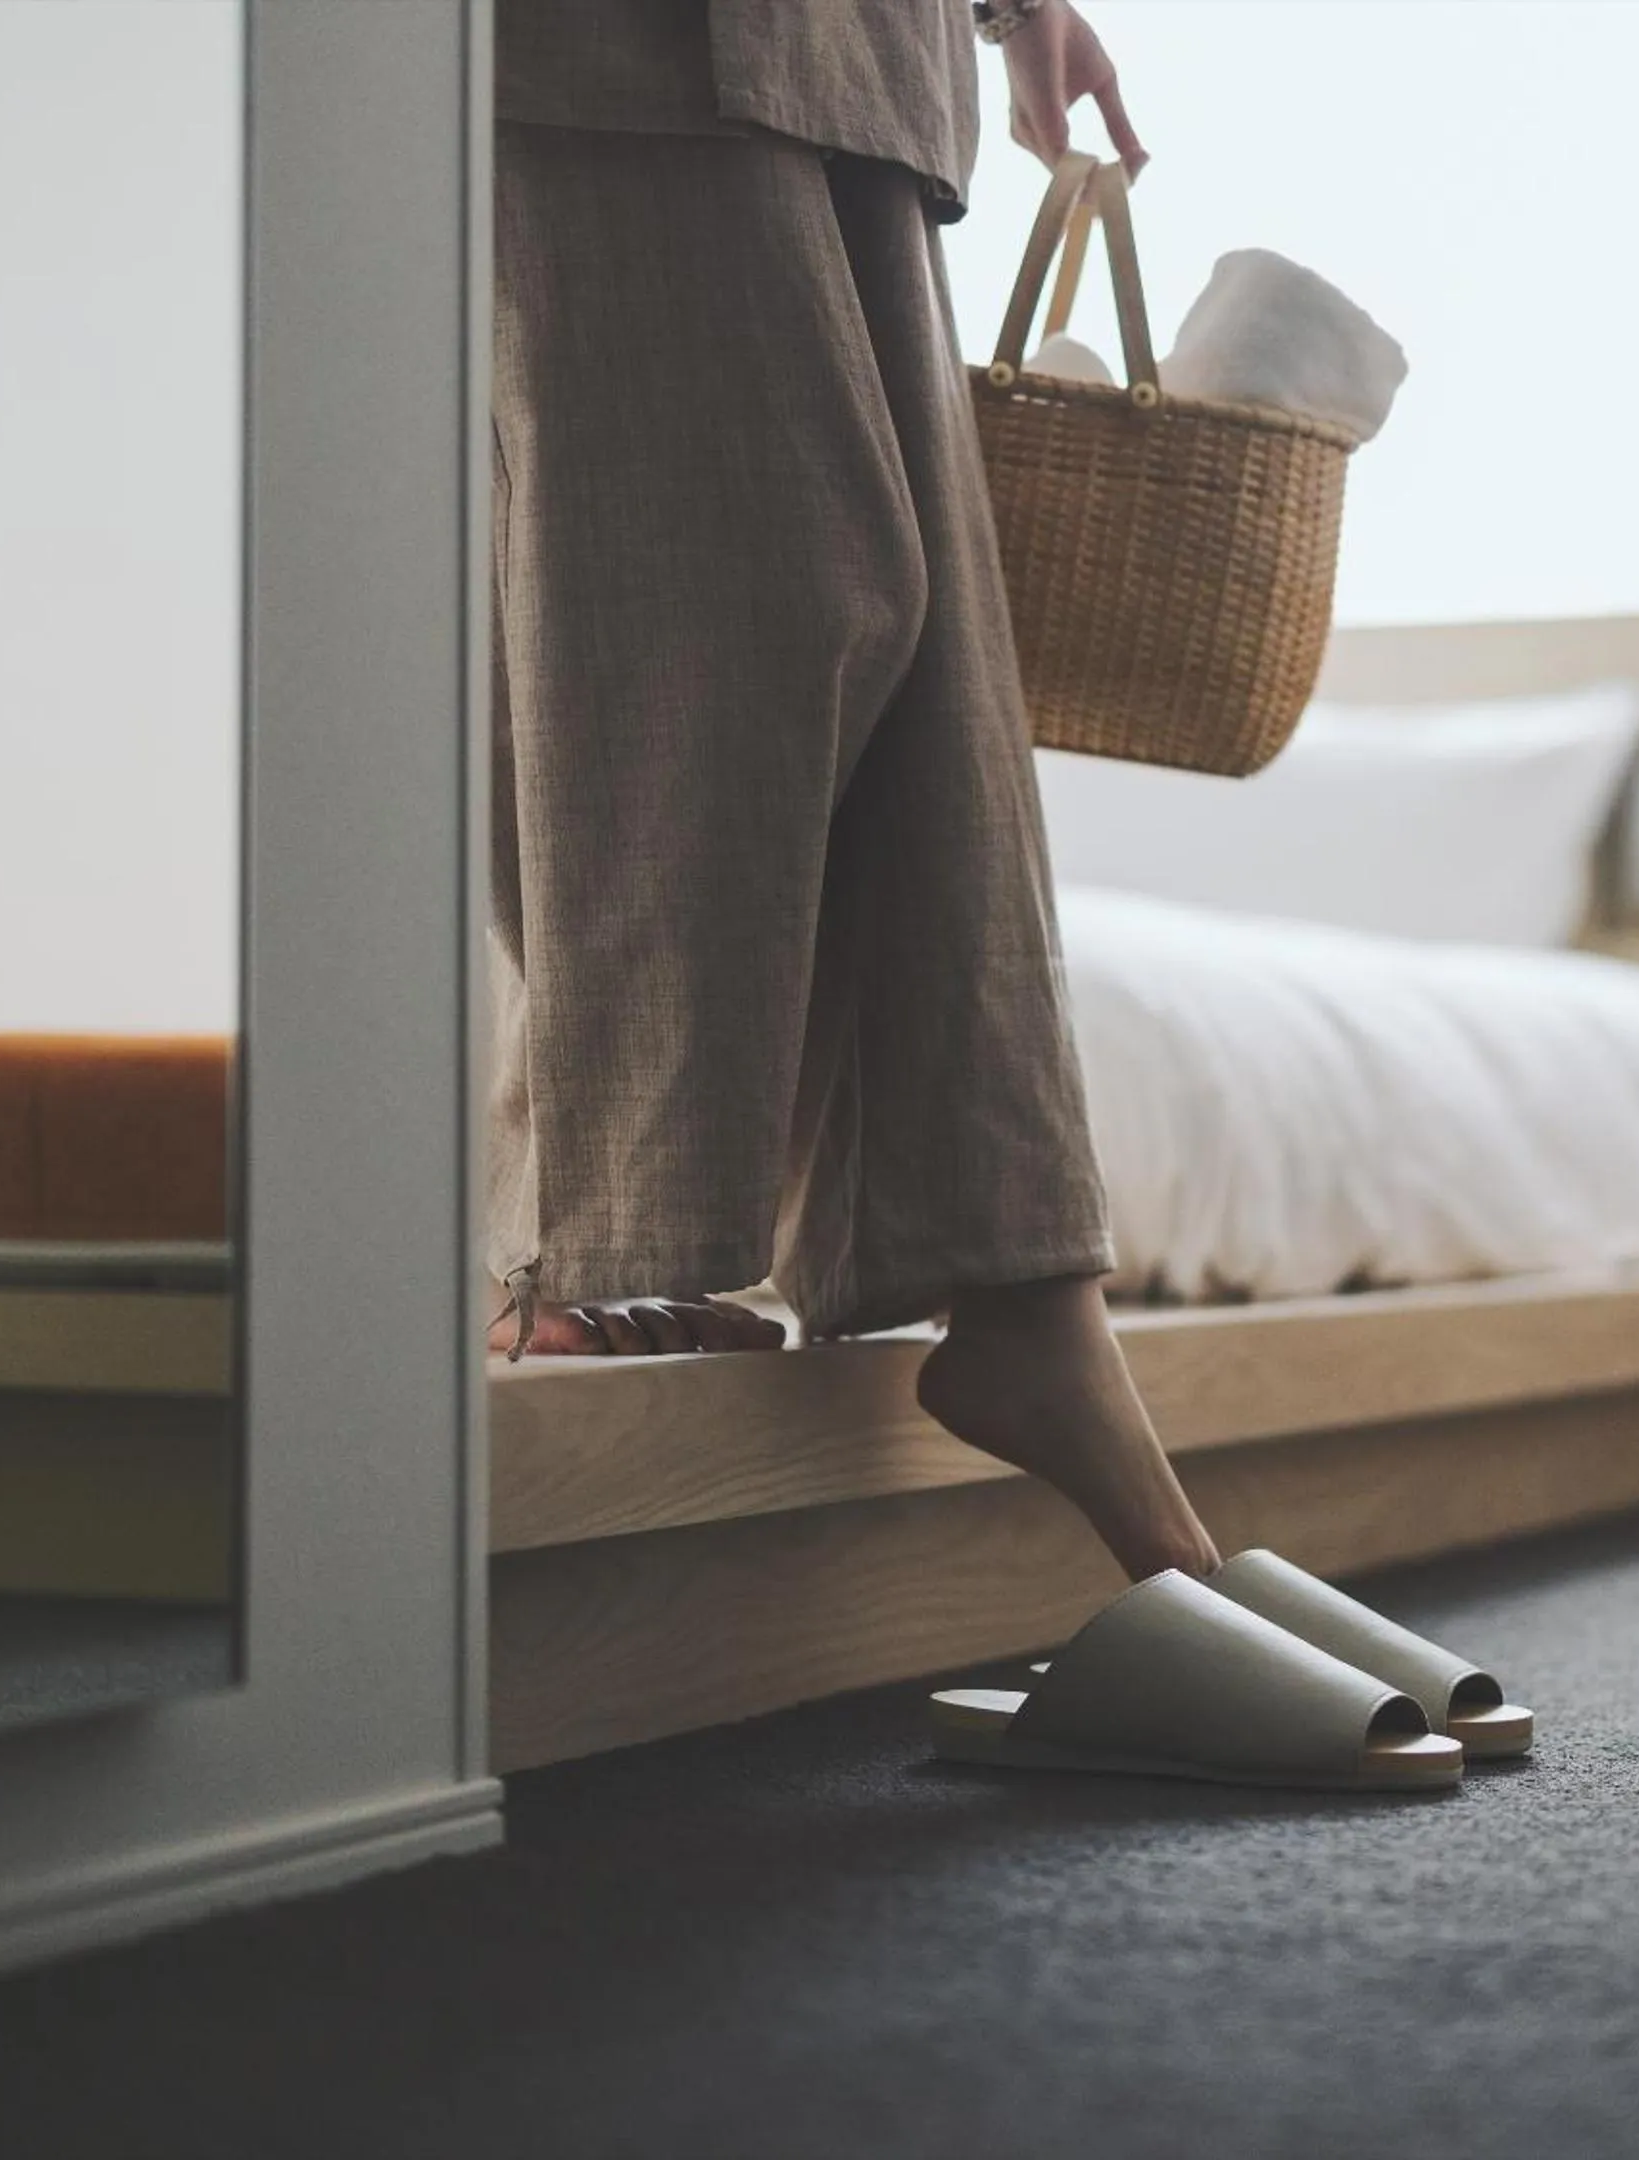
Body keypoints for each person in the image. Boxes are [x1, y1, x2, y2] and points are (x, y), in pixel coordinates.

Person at [484, 0, 1214, 1584]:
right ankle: (611, 1242)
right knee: (715, 587)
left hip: (867, 57)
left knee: (935, 683)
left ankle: (1029, 1300)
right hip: (616, 45)